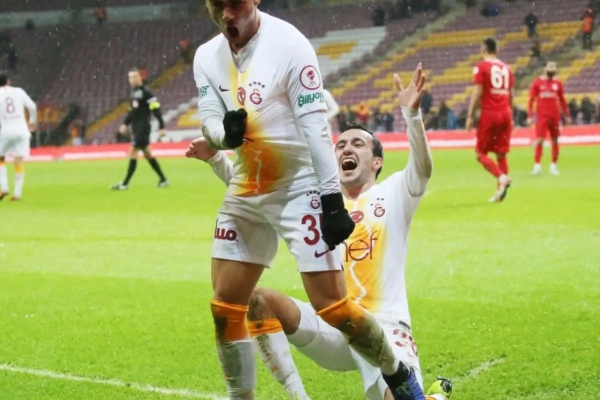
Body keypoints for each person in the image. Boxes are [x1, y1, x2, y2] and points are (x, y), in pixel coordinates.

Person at [191, 1, 427, 398]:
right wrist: (223, 136)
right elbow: (209, 116)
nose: (227, 14)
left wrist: (331, 200)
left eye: (235, 4)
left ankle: (396, 371)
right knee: (224, 307)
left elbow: (316, 128)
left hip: (297, 185)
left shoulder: (290, 44)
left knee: (333, 306)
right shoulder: (205, 56)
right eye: (218, 5)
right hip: (246, 185)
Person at [467, 37, 513, 203]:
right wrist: (511, 113)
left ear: (483, 50)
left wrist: (470, 115)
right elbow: (510, 93)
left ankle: (501, 177)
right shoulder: (507, 68)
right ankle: (500, 192)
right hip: (506, 112)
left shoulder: (481, 67)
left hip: (490, 113)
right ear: (497, 50)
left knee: (480, 154)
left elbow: (478, 92)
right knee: (501, 154)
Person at [111, 68, 168, 190]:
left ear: (140, 77)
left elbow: (156, 108)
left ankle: (125, 183)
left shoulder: (146, 92)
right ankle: (163, 179)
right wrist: (125, 123)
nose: (132, 79)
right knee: (147, 154)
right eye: (130, 77)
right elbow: (132, 111)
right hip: (136, 127)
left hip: (143, 127)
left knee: (133, 152)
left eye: (134, 76)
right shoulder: (133, 93)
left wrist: (161, 126)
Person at [527, 61, 569, 176]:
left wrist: (567, 114)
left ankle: (553, 166)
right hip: (542, 116)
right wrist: (530, 116)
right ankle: (537, 166)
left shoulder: (557, 83)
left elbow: (562, 99)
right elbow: (531, 100)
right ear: (544, 68)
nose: (553, 69)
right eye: (551, 66)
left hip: (555, 116)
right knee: (540, 140)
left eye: (554, 67)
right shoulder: (537, 83)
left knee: (555, 140)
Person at [0, 73, 36, 201]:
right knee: (18, 161)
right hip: (22, 130)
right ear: (8, 81)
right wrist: (32, 121)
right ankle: (17, 193)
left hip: (6, 130)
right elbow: (32, 106)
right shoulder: (19, 91)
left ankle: (4, 187)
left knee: (1, 159)